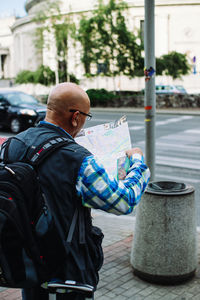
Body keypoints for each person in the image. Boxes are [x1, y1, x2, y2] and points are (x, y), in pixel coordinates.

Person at [2, 82, 150, 300]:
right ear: (75, 117)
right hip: (67, 277)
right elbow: (123, 201)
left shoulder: (11, 145)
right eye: (86, 117)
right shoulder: (77, 159)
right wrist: (137, 162)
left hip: (27, 267)